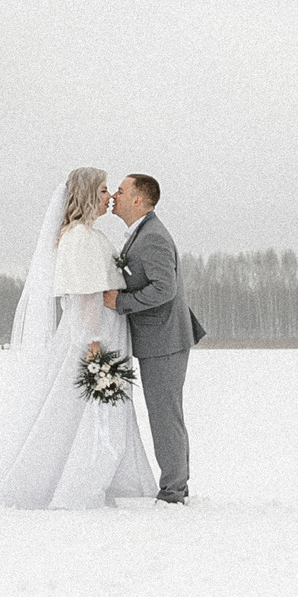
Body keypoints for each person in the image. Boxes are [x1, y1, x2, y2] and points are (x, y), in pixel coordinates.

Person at [0, 167, 160, 509]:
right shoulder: (80, 237)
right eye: (103, 190)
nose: (110, 197)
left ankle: (106, 480)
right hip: (97, 334)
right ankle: (82, 483)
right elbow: (85, 295)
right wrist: (94, 342)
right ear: (88, 195)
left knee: (100, 408)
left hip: (105, 329)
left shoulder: (87, 235)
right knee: (97, 409)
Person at [105, 172, 198, 503]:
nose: (114, 195)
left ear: (138, 199)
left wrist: (121, 302)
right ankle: (176, 486)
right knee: (164, 414)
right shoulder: (141, 234)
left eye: (120, 190)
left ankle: (173, 492)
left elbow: (164, 288)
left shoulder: (153, 237)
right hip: (158, 339)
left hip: (165, 340)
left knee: (164, 416)